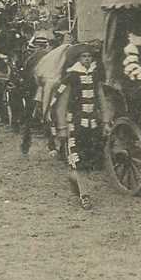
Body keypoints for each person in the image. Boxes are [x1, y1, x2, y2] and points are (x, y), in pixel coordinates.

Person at [51, 44, 113, 209]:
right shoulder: (70, 77)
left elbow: (101, 100)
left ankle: (75, 179)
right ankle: (85, 195)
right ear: (78, 59)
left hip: (92, 125)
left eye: (89, 57)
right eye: (83, 57)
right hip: (74, 126)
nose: (86, 60)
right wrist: (62, 128)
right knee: (77, 160)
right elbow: (61, 105)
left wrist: (106, 122)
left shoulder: (95, 76)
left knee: (88, 161)